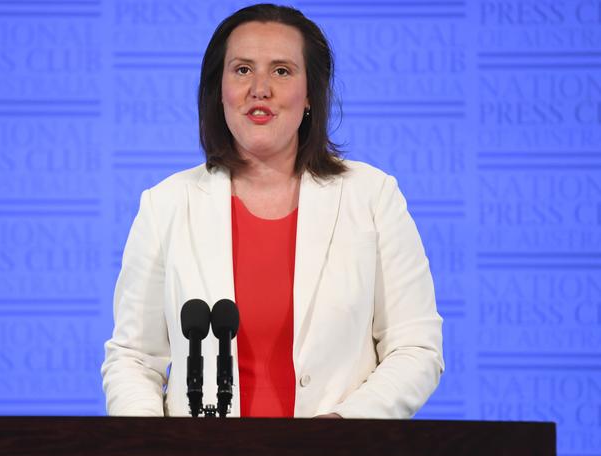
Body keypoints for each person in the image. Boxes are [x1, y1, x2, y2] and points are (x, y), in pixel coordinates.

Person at [101, 4, 444, 418]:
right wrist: (156, 450)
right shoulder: (167, 204)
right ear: (218, 90)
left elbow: (415, 347)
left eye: (281, 71)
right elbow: (133, 359)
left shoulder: (372, 196)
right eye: (242, 69)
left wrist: (345, 429)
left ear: (311, 96)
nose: (259, 88)